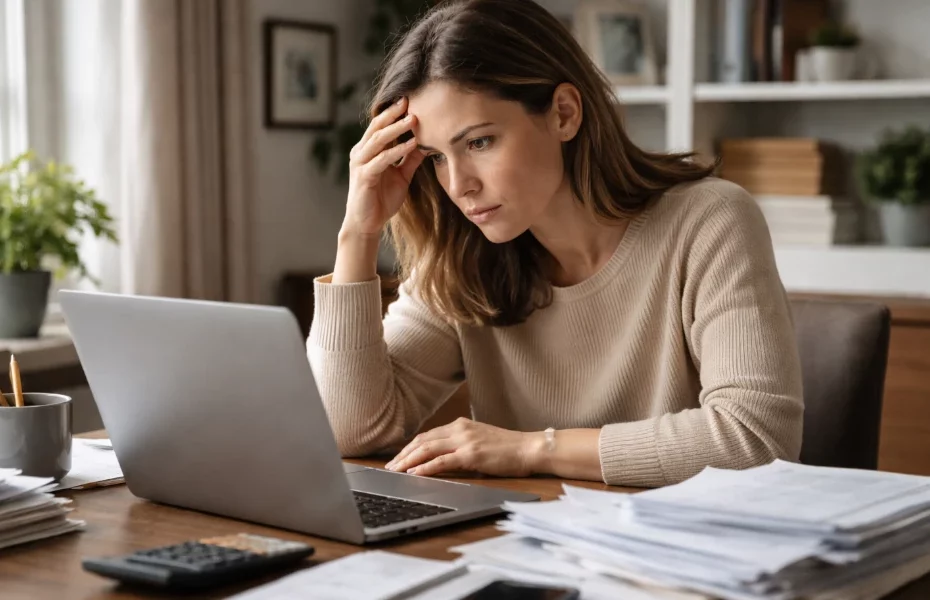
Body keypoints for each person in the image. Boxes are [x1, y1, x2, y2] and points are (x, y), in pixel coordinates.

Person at [307, 0, 803, 488]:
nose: (458, 185)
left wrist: (530, 449)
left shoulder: (709, 221)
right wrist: (358, 233)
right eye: (435, 157)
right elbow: (348, 430)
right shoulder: (462, 258)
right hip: (529, 544)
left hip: (683, 553)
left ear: (564, 114)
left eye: (479, 142)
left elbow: (754, 438)